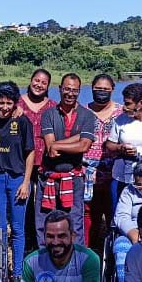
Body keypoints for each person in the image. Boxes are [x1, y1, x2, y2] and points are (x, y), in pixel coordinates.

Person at [0, 81, 34, 282]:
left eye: (9, 103)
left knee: (18, 230)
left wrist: (26, 182)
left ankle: (18, 275)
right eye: (0, 102)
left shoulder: (22, 121)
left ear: (15, 103)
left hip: (16, 179)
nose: (4, 107)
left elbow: (30, 152)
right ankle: (0, 272)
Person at [37, 73, 96, 242]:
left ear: (79, 91)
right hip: (48, 178)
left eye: (74, 90)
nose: (70, 94)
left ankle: (76, 265)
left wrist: (57, 144)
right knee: (44, 224)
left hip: (74, 178)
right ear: (60, 89)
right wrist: (75, 139)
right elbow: (51, 150)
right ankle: (44, 264)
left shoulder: (87, 115)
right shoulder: (48, 114)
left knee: (74, 224)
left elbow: (84, 146)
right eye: (67, 89)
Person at [17, 69, 57, 251]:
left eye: (44, 83)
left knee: (43, 204)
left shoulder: (53, 107)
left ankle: (42, 242)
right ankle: (24, 241)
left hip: (45, 162)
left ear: (48, 86)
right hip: (20, 160)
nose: (39, 85)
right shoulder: (17, 103)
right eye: (36, 80)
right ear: (30, 80)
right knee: (23, 203)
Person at [82, 74, 122, 250]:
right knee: (88, 217)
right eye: (98, 89)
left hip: (115, 175)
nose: (102, 92)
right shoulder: (82, 111)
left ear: (112, 89)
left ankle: (113, 259)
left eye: (106, 89)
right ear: (91, 88)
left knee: (115, 217)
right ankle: (88, 255)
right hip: (87, 175)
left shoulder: (122, 113)